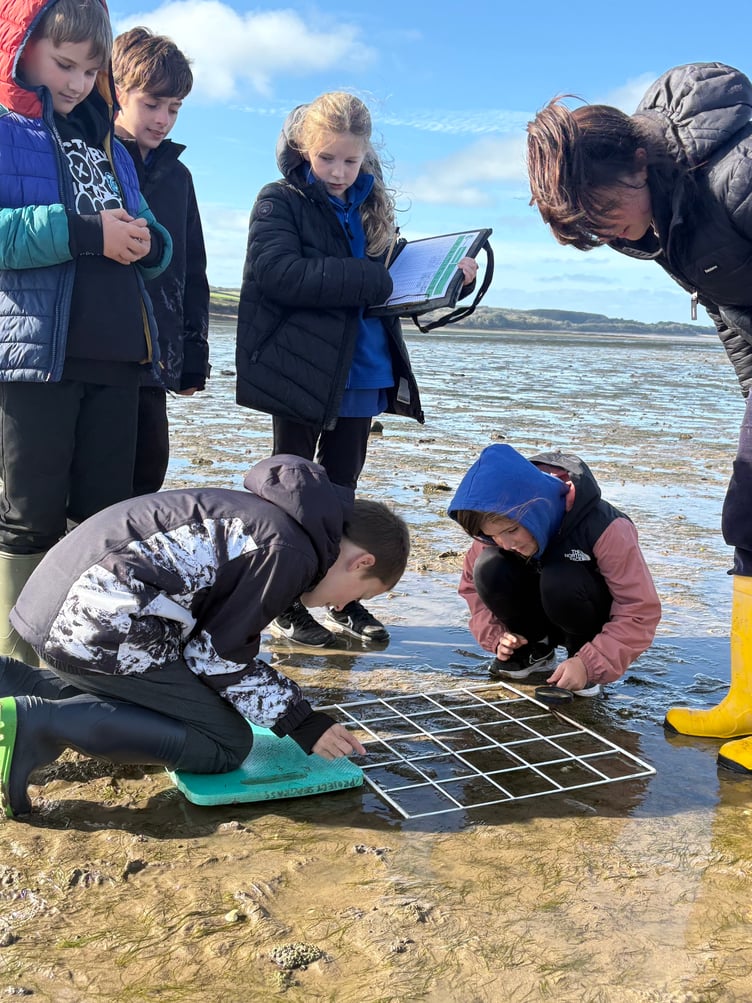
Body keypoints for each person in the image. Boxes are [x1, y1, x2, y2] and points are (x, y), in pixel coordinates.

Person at [526, 62, 752, 765]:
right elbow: (730, 311)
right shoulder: (657, 216)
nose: (610, 235)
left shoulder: (736, 178)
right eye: (589, 230)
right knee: (746, 517)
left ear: (636, 159)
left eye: (602, 214)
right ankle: (748, 699)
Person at [0, 453, 410, 820]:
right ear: (361, 563)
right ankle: (42, 724)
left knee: (188, 699)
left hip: (51, 605)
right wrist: (303, 722)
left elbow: (209, 648)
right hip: (93, 623)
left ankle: (16, 683)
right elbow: (217, 658)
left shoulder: (273, 519)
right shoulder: (289, 552)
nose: (341, 608)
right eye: (361, 594)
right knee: (225, 743)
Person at [235, 90, 478, 648]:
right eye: (328, 159)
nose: (340, 172)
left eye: (351, 160)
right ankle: (285, 601)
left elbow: (395, 280)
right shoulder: (279, 200)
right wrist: (372, 278)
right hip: (301, 370)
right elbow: (278, 274)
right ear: (303, 149)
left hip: (365, 368)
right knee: (291, 492)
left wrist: (450, 280)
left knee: (342, 491)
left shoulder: (372, 204)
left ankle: (342, 597)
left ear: (367, 156)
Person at [0, 0, 173, 667]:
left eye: (89, 68)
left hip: (120, 358)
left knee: (105, 520)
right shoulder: (8, 130)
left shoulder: (109, 142)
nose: (75, 82)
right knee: (28, 516)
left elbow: (153, 238)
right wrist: (86, 234)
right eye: (61, 63)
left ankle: (83, 660)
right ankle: (18, 670)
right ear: (18, 47)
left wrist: (146, 241)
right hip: (36, 359)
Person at [448, 444, 661, 696]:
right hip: (537, 616)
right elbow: (472, 586)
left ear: (537, 507)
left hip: (585, 612)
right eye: (492, 535)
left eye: (512, 530)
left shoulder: (607, 527)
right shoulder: (494, 524)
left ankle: (579, 655)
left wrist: (590, 663)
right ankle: (533, 649)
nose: (506, 543)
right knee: (489, 566)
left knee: (560, 578)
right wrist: (495, 636)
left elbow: (639, 609)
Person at [112, 26, 210, 496]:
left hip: (155, 359)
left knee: (148, 476)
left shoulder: (180, 176)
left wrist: (194, 353)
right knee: (91, 491)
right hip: (97, 354)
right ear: (116, 91)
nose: (163, 119)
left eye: (174, 108)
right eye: (151, 104)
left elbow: (193, 269)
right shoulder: (91, 157)